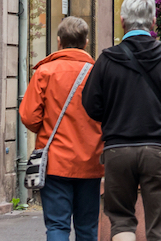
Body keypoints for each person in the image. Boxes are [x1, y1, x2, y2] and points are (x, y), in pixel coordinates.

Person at [82, 0, 161, 241]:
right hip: (157, 149)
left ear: (122, 22)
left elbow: (91, 106)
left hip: (118, 151)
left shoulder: (106, 60)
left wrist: (115, 113)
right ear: (153, 22)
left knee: (121, 221)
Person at [20, 17, 103, 241]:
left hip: (55, 162)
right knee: (87, 228)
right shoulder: (98, 73)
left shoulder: (45, 72)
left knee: (57, 226)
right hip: (90, 161)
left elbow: (29, 116)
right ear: (86, 42)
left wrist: (44, 128)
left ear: (59, 42)